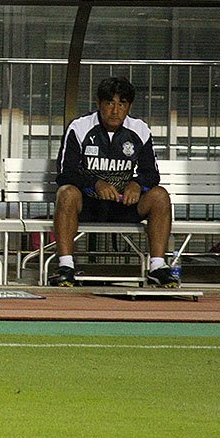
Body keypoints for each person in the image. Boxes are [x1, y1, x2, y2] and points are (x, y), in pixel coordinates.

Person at [51, 76, 178, 287]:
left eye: (122, 104)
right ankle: (65, 267)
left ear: (129, 106)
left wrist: (137, 184)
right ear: (99, 103)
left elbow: (151, 174)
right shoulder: (79, 127)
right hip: (88, 205)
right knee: (66, 193)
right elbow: (66, 173)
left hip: (124, 205)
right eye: (110, 103)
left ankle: (157, 267)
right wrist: (95, 183)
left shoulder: (140, 129)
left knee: (160, 195)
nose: (115, 111)